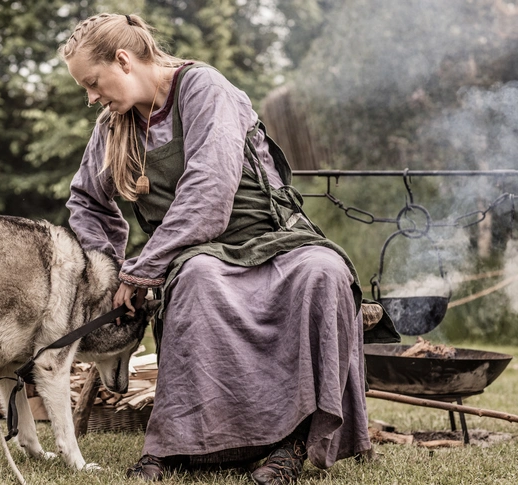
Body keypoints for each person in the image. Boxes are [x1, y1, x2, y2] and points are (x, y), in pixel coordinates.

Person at [59, 13, 398, 484]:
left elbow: (209, 193)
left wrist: (145, 266)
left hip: (277, 239)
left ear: (123, 60)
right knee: (199, 277)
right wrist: (110, 271)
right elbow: (87, 201)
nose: (92, 97)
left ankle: (291, 445)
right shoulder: (113, 127)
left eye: (92, 83)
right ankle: (179, 449)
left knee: (322, 271)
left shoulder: (204, 89)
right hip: (197, 253)